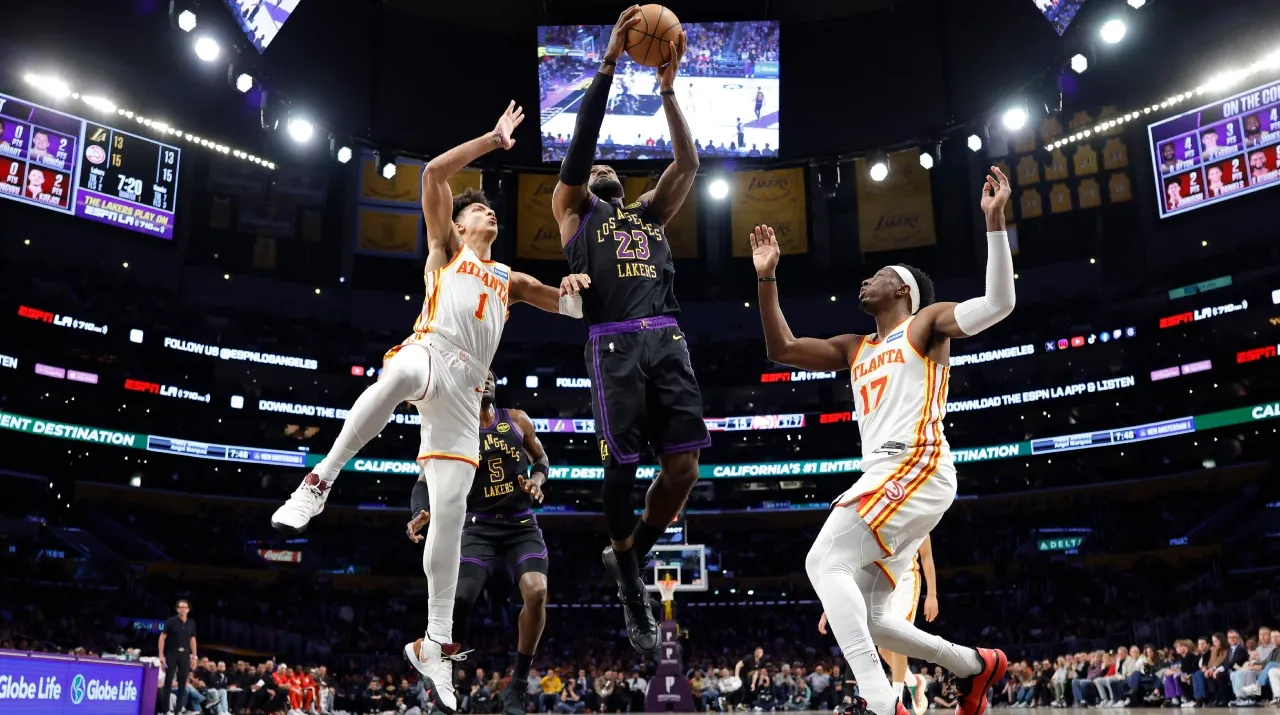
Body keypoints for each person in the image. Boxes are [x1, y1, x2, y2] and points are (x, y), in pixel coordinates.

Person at [269, 104, 587, 715]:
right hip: (431, 350)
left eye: (490, 210)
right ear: (462, 227)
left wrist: (576, 288)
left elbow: (568, 310)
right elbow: (433, 177)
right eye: (479, 210)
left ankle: (435, 642)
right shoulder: (445, 252)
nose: (488, 213)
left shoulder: (510, 279)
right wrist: (492, 140)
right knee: (396, 378)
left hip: (468, 396)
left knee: (448, 515)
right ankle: (319, 480)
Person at [750, 167, 1017, 715]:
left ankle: (879, 700)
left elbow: (999, 304)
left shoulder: (924, 325)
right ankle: (975, 666)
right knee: (873, 617)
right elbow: (782, 349)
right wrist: (766, 277)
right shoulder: (856, 346)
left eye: (876, 276)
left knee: (824, 561)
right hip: (888, 476)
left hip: (917, 462)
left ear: (901, 289)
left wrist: (995, 224)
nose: (863, 282)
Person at [551, 5, 707, 656]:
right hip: (614, 338)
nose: (599, 168)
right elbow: (582, 142)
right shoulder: (574, 208)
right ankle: (629, 589)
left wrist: (668, 89)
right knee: (622, 463)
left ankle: (632, 554)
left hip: (666, 336)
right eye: (592, 169)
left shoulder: (647, 216)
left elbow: (689, 161)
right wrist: (611, 62)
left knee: (684, 469)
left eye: (605, 171)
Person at [407, 370, 551, 715]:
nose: (484, 381)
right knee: (460, 598)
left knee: (537, 592)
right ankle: (443, 666)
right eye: (477, 376)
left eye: (489, 376)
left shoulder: (516, 420)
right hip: (478, 528)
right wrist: (420, 511)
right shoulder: (453, 429)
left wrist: (536, 480)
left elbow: (542, 460)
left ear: (495, 384)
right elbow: (423, 481)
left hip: (520, 526)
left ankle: (517, 684)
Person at [818, 535, 939, 708]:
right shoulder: (874, 518)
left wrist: (932, 594)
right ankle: (913, 682)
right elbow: (854, 568)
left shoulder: (917, 514)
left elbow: (926, 555)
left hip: (906, 579)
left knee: (898, 637)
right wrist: (829, 608)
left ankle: (896, 703)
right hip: (881, 582)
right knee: (883, 648)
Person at [158, 599, 198, 715]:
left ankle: (178, 710)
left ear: (188, 610)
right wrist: (161, 656)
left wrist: (194, 657)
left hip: (185, 653)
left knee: (182, 681)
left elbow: (193, 639)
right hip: (172, 652)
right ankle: (166, 710)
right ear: (177, 609)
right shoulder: (171, 621)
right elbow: (162, 638)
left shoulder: (191, 623)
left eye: (185, 607)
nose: (183, 609)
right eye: (180, 607)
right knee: (168, 680)